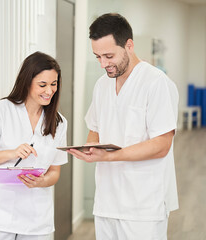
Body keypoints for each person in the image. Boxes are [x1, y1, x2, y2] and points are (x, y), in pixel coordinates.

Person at [67, 13, 179, 239]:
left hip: (143, 206)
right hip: (107, 202)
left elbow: (161, 145)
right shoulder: (101, 85)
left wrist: (107, 157)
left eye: (109, 55)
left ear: (129, 45)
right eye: (97, 57)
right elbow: (95, 128)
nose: (103, 63)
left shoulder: (156, 83)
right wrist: (90, 148)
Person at [0, 51, 68, 240]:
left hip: (37, 220)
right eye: (42, 85)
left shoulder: (59, 123)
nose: (49, 91)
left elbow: (55, 171)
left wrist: (42, 181)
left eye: (53, 84)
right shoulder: (1, 110)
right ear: (27, 82)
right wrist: (11, 153)